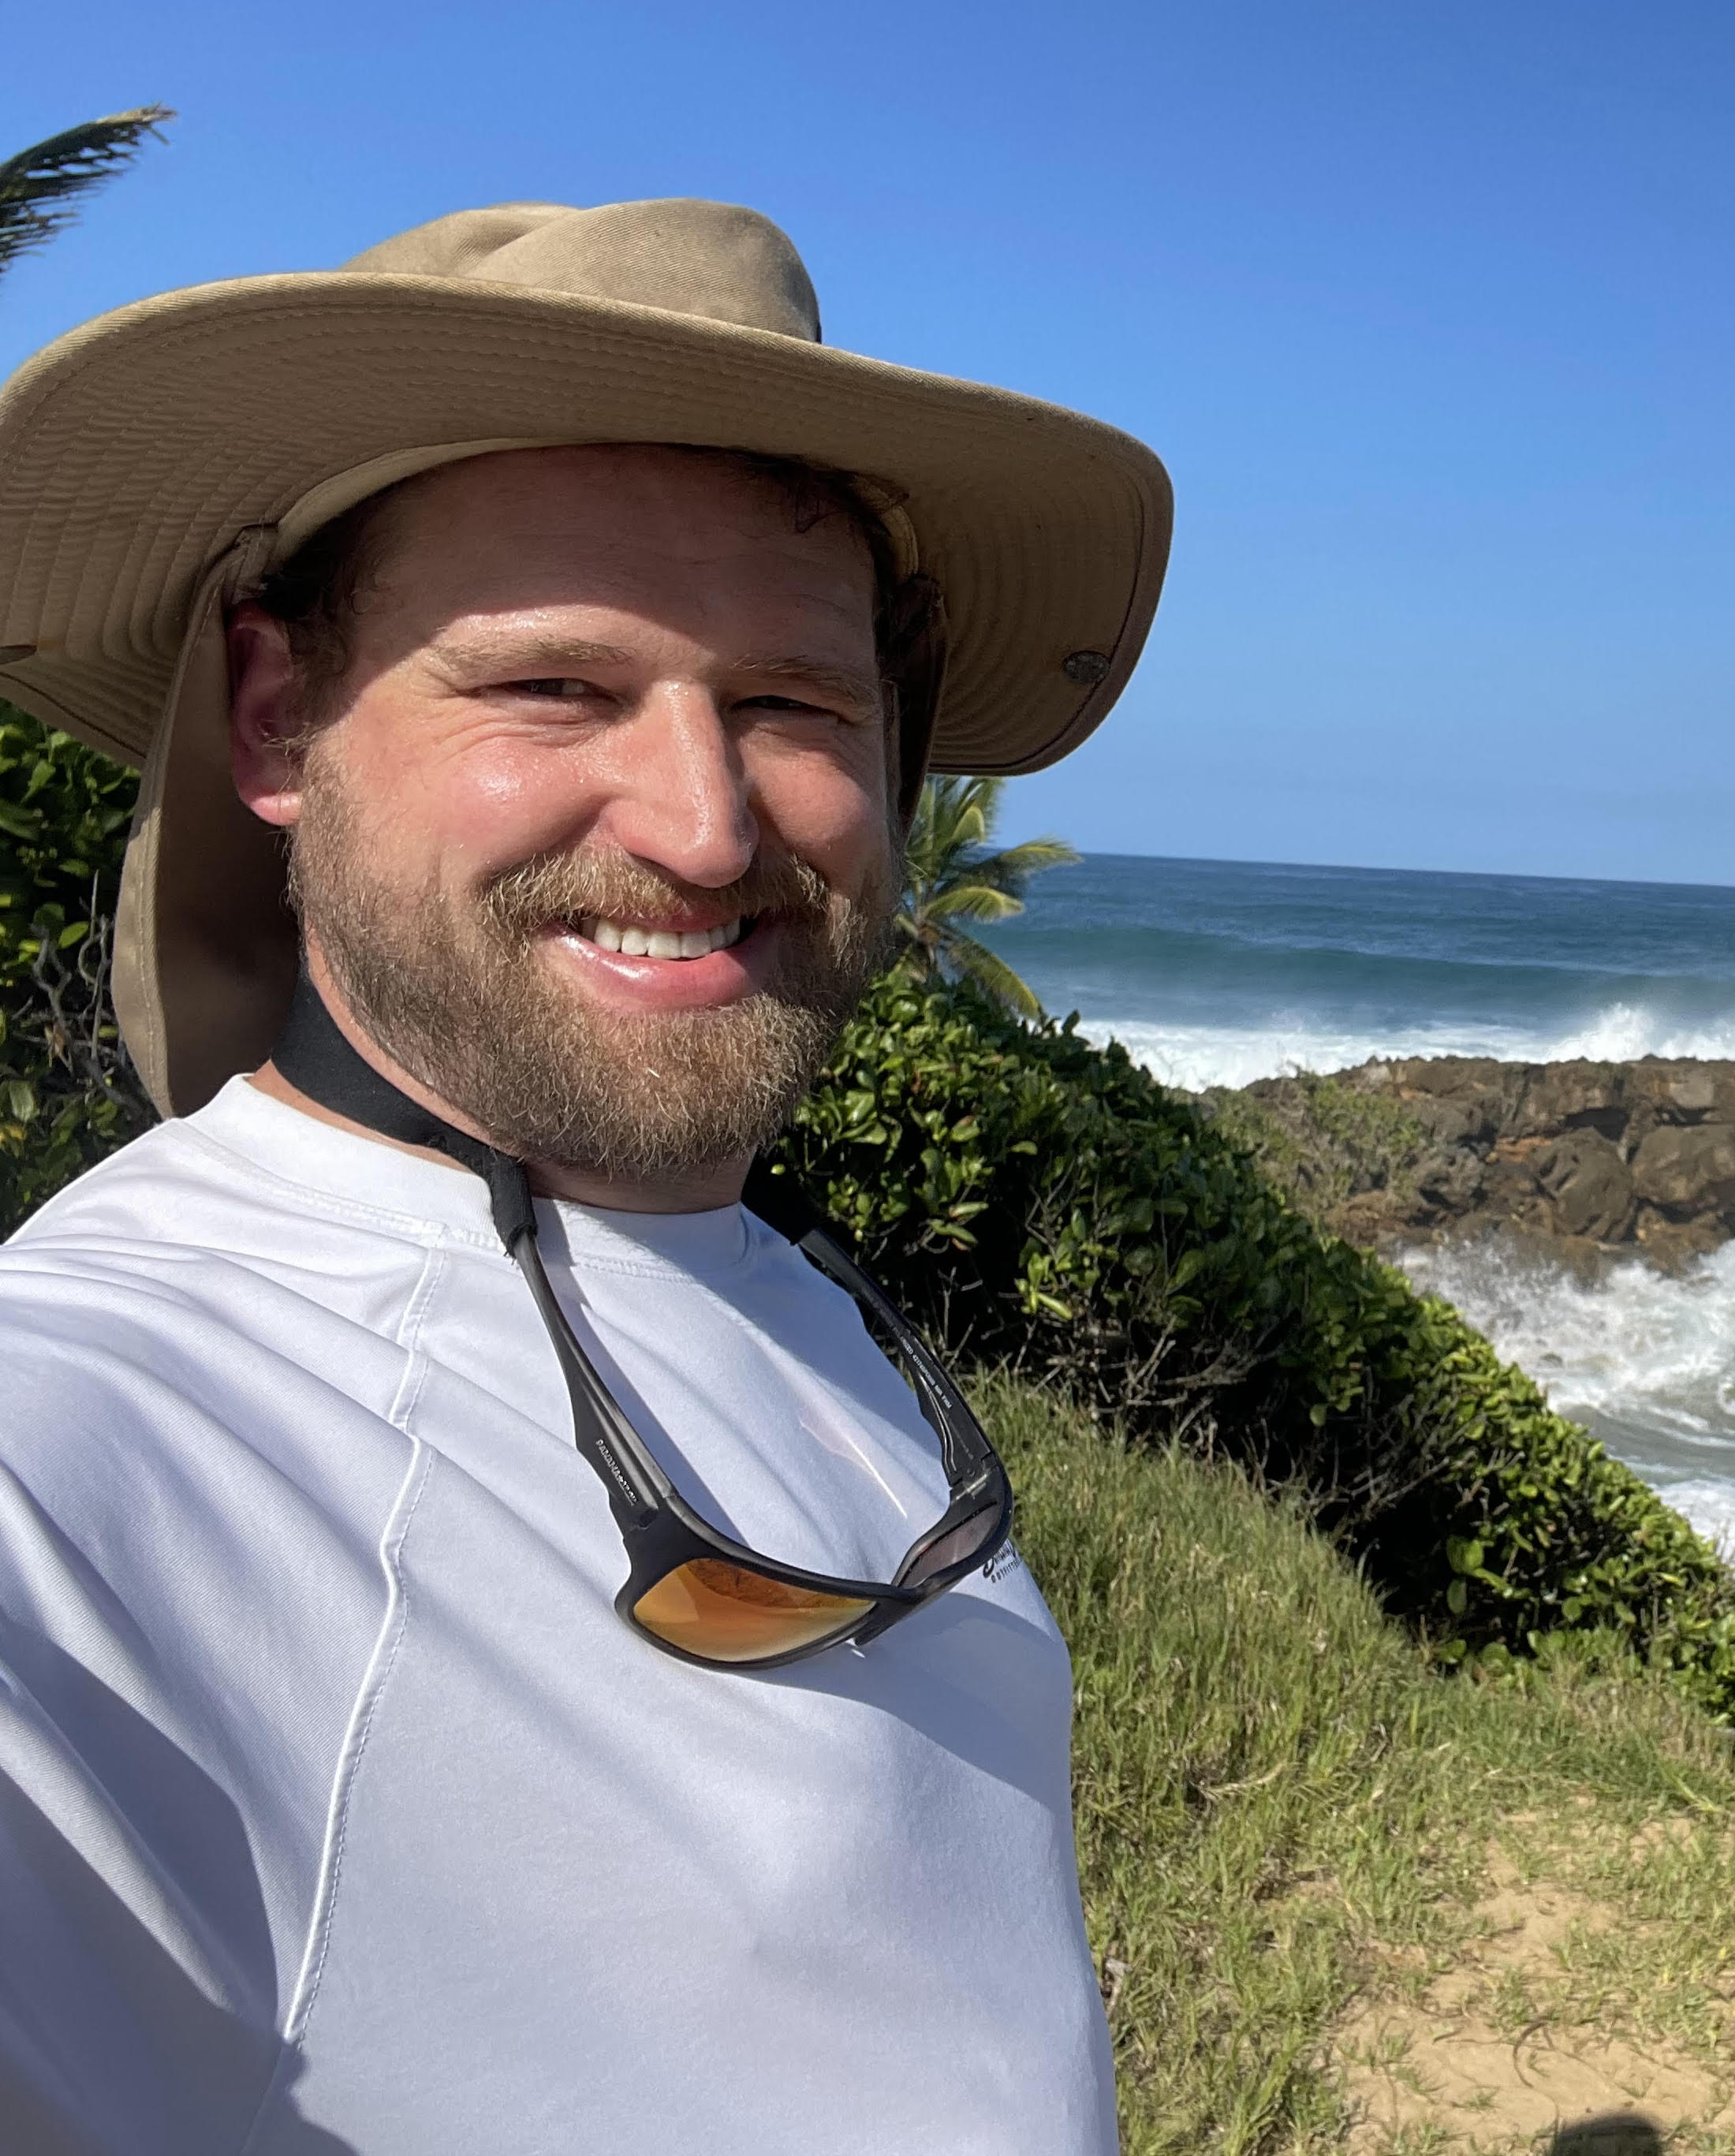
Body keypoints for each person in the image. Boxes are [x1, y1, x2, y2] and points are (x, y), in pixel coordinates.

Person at [0, 197, 1171, 2154]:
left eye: (794, 705)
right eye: (554, 687)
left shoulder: (759, 1279)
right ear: (277, 714)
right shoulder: (106, 1411)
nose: (707, 827)